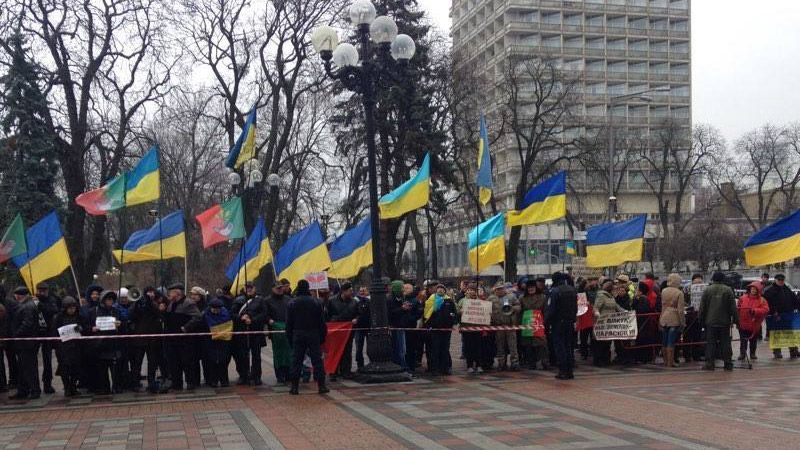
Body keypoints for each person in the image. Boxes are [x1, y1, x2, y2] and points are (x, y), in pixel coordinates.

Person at [287, 279, 328, 395]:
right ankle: (322, 386)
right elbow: (322, 322)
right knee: (317, 361)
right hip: (313, 333)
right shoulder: (316, 302)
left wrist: (290, 337)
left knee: (296, 361)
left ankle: (294, 387)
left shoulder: (292, 303)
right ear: (308, 288)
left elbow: (289, 323)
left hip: (298, 334)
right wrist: (322, 337)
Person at [184, 298, 232, 387]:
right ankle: (213, 380)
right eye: (213, 308)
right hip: (210, 341)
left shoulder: (226, 315)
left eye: (217, 309)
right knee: (212, 361)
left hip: (223, 341)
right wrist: (187, 327)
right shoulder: (205, 314)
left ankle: (224, 380)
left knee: (223, 361)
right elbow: (198, 322)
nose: (215, 310)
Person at [163, 283, 201, 391]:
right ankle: (177, 384)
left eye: (171, 292)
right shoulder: (171, 304)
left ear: (177, 292)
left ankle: (190, 382)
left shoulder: (188, 303)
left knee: (187, 362)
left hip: (184, 340)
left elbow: (197, 317)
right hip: (172, 339)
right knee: (174, 363)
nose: (169, 294)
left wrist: (186, 327)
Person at [231, 282, 269, 386]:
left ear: (254, 288)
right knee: (243, 356)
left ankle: (256, 376)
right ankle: (244, 376)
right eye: (247, 288)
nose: (249, 290)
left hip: (256, 332)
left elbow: (264, 314)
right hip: (243, 333)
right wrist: (241, 318)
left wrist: (252, 320)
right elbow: (232, 314)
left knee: (256, 356)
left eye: (251, 288)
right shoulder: (239, 300)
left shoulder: (260, 300)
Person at [700, 272, 739, 371]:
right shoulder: (728, 290)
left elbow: (702, 308)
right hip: (724, 321)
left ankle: (710, 363)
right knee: (725, 343)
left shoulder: (707, 290)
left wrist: (701, 321)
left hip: (710, 321)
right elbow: (733, 308)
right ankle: (728, 363)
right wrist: (736, 320)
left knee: (711, 343)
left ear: (713, 279)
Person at [131, 286, 167, 393]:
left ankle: (151, 382)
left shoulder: (155, 304)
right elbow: (134, 314)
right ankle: (135, 382)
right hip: (140, 338)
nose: (150, 294)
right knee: (137, 362)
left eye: (152, 292)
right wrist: (144, 301)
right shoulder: (140, 304)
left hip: (152, 338)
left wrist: (156, 305)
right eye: (148, 292)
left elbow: (158, 314)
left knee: (152, 362)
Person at [10, 286, 41, 400]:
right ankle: (23, 390)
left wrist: (17, 334)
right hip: (24, 342)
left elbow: (27, 324)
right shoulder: (26, 305)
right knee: (23, 367)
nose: (16, 297)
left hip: (27, 342)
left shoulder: (28, 306)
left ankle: (34, 390)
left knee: (29, 368)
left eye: (17, 295)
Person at [88, 291, 121, 395]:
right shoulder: (94, 311)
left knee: (115, 368)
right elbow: (86, 325)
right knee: (102, 369)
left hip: (113, 344)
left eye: (112, 299)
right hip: (100, 345)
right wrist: (91, 328)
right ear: (103, 300)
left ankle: (116, 386)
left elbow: (122, 325)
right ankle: (105, 388)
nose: (110, 301)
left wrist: (119, 324)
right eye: (108, 299)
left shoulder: (115, 311)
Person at [546, 272, 577, 380]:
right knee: (568, 346)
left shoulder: (554, 291)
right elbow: (575, 307)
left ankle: (562, 371)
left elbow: (551, 309)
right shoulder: (572, 290)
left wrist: (547, 322)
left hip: (558, 322)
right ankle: (570, 371)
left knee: (560, 347)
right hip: (570, 321)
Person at [52, 297, 84, 396]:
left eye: (73, 308)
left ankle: (73, 386)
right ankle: (67, 387)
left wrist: (80, 328)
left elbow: (84, 327)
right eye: (69, 308)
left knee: (76, 368)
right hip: (63, 348)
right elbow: (54, 332)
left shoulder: (78, 316)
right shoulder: (58, 318)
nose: (72, 310)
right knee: (64, 369)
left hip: (76, 347)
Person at [763, 274, 800, 359]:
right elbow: (766, 304)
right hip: (776, 316)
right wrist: (773, 312)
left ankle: (794, 350)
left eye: (782, 280)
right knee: (776, 334)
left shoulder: (787, 289)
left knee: (790, 333)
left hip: (788, 315)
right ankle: (777, 352)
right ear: (775, 280)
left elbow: (795, 300)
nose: (781, 281)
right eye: (779, 280)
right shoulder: (769, 291)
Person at [424, 283, 457, 375]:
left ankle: (445, 368)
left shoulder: (449, 301)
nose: (440, 290)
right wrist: (429, 325)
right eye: (438, 288)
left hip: (446, 329)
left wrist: (452, 322)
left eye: (442, 289)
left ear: (445, 291)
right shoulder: (431, 300)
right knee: (435, 349)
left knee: (445, 349)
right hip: (435, 329)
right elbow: (427, 314)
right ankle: (434, 368)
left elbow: (454, 312)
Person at [327, 282, 359, 380]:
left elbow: (358, 313)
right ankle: (333, 372)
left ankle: (346, 371)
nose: (351, 292)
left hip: (348, 331)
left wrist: (356, 319)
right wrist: (334, 320)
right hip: (336, 331)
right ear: (343, 291)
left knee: (347, 351)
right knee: (335, 351)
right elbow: (327, 315)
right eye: (350, 291)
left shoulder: (354, 302)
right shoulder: (332, 301)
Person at [34, 282, 60, 394]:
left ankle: (47, 383)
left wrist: (41, 305)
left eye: (44, 290)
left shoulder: (52, 299)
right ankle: (34, 385)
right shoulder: (33, 300)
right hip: (35, 333)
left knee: (47, 360)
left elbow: (54, 311)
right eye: (40, 290)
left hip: (48, 333)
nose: (42, 292)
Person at [265, 279, 293, 384]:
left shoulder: (288, 299)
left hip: (288, 330)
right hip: (276, 332)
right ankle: (280, 375)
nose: (280, 290)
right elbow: (265, 314)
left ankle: (289, 374)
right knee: (278, 354)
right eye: (278, 288)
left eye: (281, 288)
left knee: (289, 353)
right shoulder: (267, 301)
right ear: (273, 289)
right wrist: (269, 321)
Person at [592, 280, 625, 367]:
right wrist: (598, 316)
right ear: (610, 289)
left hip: (610, 323)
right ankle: (599, 360)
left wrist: (626, 312)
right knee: (601, 343)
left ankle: (606, 359)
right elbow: (596, 308)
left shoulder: (611, 297)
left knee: (608, 342)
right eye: (614, 288)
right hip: (602, 323)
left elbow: (616, 306)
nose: (615, 290)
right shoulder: (601, 296)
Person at [489, 282, 521, 370]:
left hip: (510, 325)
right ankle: (501, 363)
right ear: (494, 290)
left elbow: (518, 306)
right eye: (498, 289)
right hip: (498, 326)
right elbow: (486, 309)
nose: (500, 291)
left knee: (513, 346)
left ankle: (514, 363)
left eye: (501, 288)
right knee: (500, 346)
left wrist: (512, 308)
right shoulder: (491, 299)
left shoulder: (511, 296)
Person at [519, 282, 549, 370]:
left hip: (539, 322)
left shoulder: (542, 297)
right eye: (529, 288)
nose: (530, 289)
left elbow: (546, 310)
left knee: (541, 344)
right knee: (528, 345)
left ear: (536, 288)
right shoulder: (522, 298)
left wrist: (545, 322)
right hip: (527, 322)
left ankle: (544, 362)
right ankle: (531, 363)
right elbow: (520, 311)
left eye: (532, 287)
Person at [659, 273, 686, 368]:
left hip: (664, 317)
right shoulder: (679, 293)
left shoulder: (663, 291)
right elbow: (681, 310)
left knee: (664, 341)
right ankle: (671, 362)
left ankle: (665, 361)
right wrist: (683, 322)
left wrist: (660, 319)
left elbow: (662, 306)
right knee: (671, 341)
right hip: (674, 319)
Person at [737, 282, 769, 361]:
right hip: (743, 324)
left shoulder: (762, 300)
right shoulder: (742, 298)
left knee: (753, 341)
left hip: (754, 324)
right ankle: (742, 354)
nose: (753, 290)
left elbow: (766, 310)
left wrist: (755, 311)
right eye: (752, 289)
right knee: (743, 341)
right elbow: (738, 308)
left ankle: (752, 353)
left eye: (755, 289)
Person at [388, 280, 414, 372]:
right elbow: (391, 313)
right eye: (402, 287)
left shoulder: (401, 298)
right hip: (395, 326)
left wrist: (406, 309)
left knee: (402, 348)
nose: (404, 289)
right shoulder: (390, 299)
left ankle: (402, 365)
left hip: (401, 325)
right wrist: (402, 308)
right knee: (399, 348)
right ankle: (400, 366)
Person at [632, 282, 660, 364]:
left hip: (643, 323)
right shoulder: (640, 298)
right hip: (642, 323)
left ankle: (643, 358)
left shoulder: (643, 299)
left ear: (640, 291)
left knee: (643, 340)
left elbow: (641, 310)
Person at [400, 283, 423, 375]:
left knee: (411, 348)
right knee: (402, 348)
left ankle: (411, 366)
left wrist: (411, 319)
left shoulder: (415, 300)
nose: (405, 289)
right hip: (401, 326)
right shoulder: (401, 299)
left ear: (412, 289)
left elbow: (419, 313)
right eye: (404, 288)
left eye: (407, 288)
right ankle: (404, 365)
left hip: (411, 327)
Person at [354, 284, 371, 370]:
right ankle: (360, 366)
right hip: (359, 328)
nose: (362, 293)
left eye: (364, 291)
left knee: (370, 347)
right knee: (358, 348)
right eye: (360, 291)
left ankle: (371, 363)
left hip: (368, 327)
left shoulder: (370, 301)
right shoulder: (355, 301)